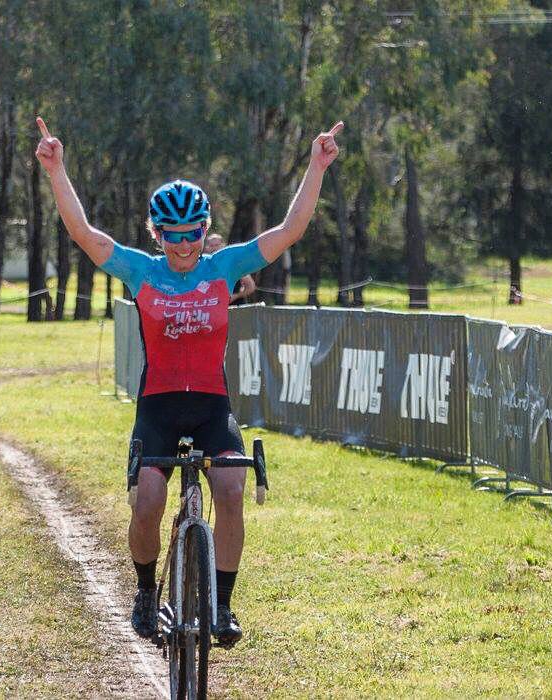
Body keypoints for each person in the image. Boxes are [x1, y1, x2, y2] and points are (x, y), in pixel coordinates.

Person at [35, 116, 342, 647]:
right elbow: (84, 234)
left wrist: (316, 166)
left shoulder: (224, 267)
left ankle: (222, 604)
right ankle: (145, 592)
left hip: (210, 405)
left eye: (193, 234)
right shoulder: (141, 271)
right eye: (172, 236)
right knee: (149, 500)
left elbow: (290, 230)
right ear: (156, 234)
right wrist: (57, 169)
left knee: (230, 487)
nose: (183, 245)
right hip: (157, 407)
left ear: (206, 230)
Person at [204, 233, 256, 303]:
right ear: (206, 247)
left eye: (217, 245)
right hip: (212, 308)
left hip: (235, 307)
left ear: (223, 246)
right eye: (211, 246)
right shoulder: (203, 265)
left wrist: (236, 296)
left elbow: (250, 286)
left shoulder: (234, 263)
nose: (214, 248)